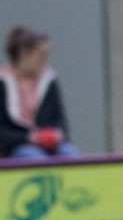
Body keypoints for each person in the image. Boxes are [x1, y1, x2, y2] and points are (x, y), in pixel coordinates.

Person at [1, 25, 78, 159]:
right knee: (33, 156)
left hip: (50, 145)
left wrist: (56, 134)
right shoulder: (4, 82)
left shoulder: (48, 79)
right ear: (24, 53)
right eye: (41, 56)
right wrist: (28, 137)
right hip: (16, 147)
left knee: (70, 153)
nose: (45, 62)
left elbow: (60, 122)